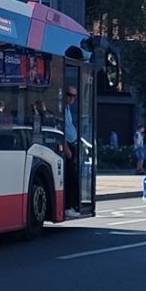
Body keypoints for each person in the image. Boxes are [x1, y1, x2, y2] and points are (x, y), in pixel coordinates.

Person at [62, 85, 80, 213]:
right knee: (71, 178)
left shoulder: (67, 109)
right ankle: (69, 206)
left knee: (72, 177)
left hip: (72, 145)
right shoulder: (61, 109)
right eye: (70, 95)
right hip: (67, 147)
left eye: (74, 96)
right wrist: (66, 147)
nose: (73, 98)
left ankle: (71, 206)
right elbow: (60, 129)